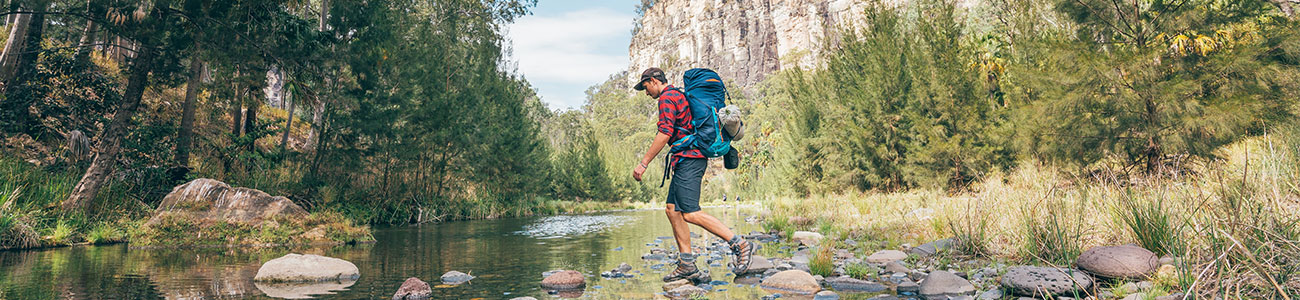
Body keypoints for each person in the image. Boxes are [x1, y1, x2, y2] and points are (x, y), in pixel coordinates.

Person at [630, 67, 754, 282]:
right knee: (672, 210)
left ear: (653, 81)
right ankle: (687, 264)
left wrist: (644, 163)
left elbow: (665, 132)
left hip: (690, 159)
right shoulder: (679, 93)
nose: (645, 92)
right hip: (686, 158)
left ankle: (739, 243)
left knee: (690, 212)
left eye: (645, 87)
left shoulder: (667, 98)